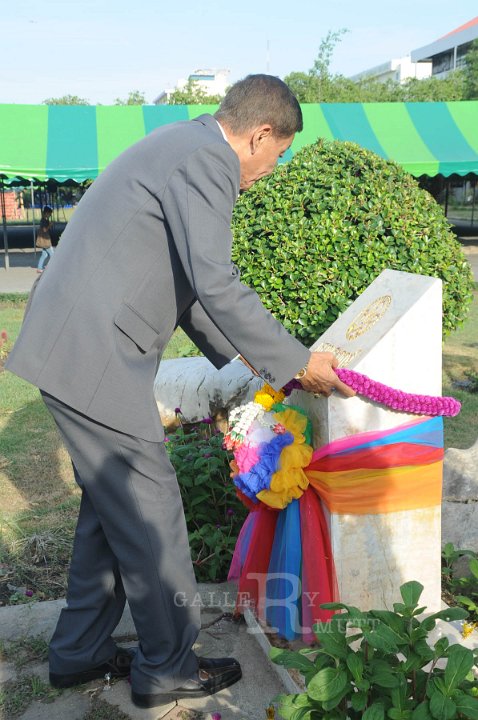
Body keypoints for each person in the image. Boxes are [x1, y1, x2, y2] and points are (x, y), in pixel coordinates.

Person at [6, 74, 354, 708]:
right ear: (260, 134)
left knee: (111, 516)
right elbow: (217, 283)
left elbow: (192, 288)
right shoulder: (208, 160)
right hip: (93, 356)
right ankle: (167, 666)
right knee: (152, 511)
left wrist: (255, 361)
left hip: (80, 347)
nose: (269, 173)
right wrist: (297, 362)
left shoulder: (185, 146)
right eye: (275, 158)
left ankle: (78, 652)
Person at [35, 205, 54, 273]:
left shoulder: (44, 220)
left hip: (44, 240)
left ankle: (39, 268)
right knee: (53, 255)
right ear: (46, 213)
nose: (50, 215)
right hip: (45, 240)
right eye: (49, 214)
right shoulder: (43, 220)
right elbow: (45, 230)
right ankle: (53, 267)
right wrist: (50, 225)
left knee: (44, 255)